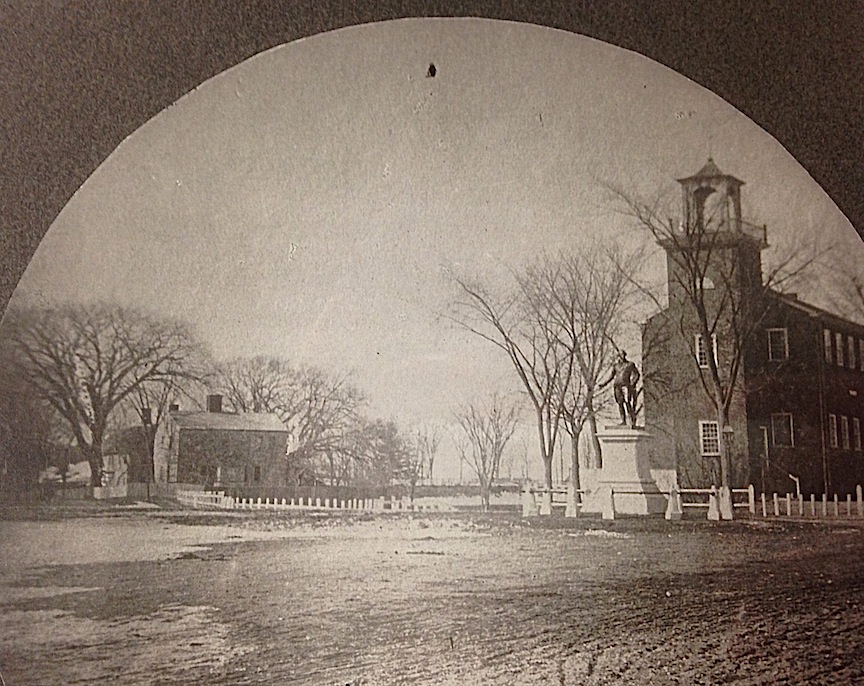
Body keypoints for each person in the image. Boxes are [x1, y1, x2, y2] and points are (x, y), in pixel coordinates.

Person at [600, 349, 641, 428]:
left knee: (627, 402)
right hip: (617, 386)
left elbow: (637, 374)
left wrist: (632, 383)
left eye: (622, 355)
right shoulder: (616, 366)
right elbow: (611, 376)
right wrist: (604, 384)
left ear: (624, 355)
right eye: (619, 355)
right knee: (620, 403)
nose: (620, 357)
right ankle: (623, 420)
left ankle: (631, 420)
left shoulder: (630, 364)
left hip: (626, 386)